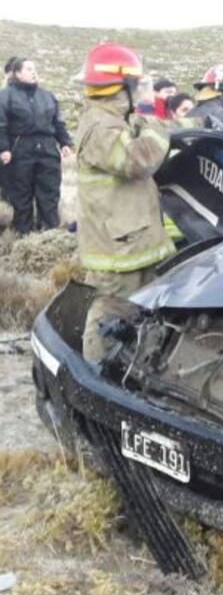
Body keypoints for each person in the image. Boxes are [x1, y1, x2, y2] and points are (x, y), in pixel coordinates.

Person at [74, 43, 185, 361]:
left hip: (133, 240)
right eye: (138, 84)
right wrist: (152, 118)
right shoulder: (99, 127)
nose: (142, 90)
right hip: (117, 247)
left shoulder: (114, 120)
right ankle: (93, 373)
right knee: (112, 311)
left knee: (142, 312)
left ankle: (134, 364)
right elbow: (137, 160)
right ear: (122, 86)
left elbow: (145, 135)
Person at [0, 57, 73, 233]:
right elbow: (1, 124)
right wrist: (4, 148)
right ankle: (23, 236)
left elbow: (58, 123)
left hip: (47, 149)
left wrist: (64, 142)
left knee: (49, 193)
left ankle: (49, 235)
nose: (33, 72)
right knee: (21, 196)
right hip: (20, 149)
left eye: (34, 68)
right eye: (28, 69)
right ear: (17, 73)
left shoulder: (47, 96)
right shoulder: (5, 96)